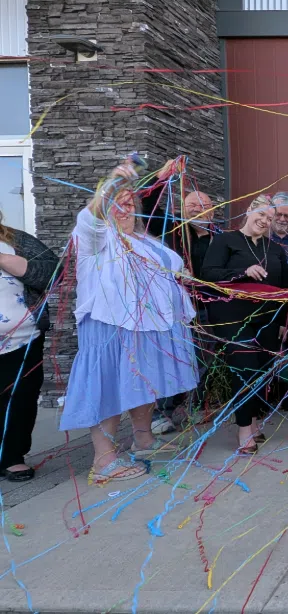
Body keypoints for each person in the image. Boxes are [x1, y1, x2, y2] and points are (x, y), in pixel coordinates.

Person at [60, 161, 199, 483]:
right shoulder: (96, 239)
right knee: (109, 386)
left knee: (145, 384)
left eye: (128, 202)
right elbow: (90, 218)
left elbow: (164, 270)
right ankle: (104, 461)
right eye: (115, 203)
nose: (123, 209)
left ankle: (143, 439)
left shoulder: (145, 240)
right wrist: (113, 181)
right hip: (112, 326)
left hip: (153, 325)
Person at [201, 194, 288, 455]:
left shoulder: (275, 250)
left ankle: (252, 422)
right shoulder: (225, 240)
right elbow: (208, 274)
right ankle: (244, 430)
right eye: (261, 214)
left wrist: (284, 320)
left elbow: (284, 288)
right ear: (249, 211)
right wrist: (242, 273)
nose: (264, 221)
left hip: (268, 319)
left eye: (270, 219)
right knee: (246, 368)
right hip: (233, 318)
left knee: (262, 371)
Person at [139, 157, 219, 435]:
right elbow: (146, 203)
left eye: (205, 206)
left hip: (208, 310)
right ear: (183, 209)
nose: (199, 209)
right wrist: (161, 177)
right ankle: (163, 412)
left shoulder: (220, 238)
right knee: (171, 358)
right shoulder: (169, 228)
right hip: (172, 310)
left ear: (214, 211)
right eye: (193, 205)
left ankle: (197, 407)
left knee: (202, 360)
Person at [0, 212, 58, 481]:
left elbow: (52, 273)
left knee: (21, 398)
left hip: (23, 338)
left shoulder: (17, 240)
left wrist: (6, 260)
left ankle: (12, 457)